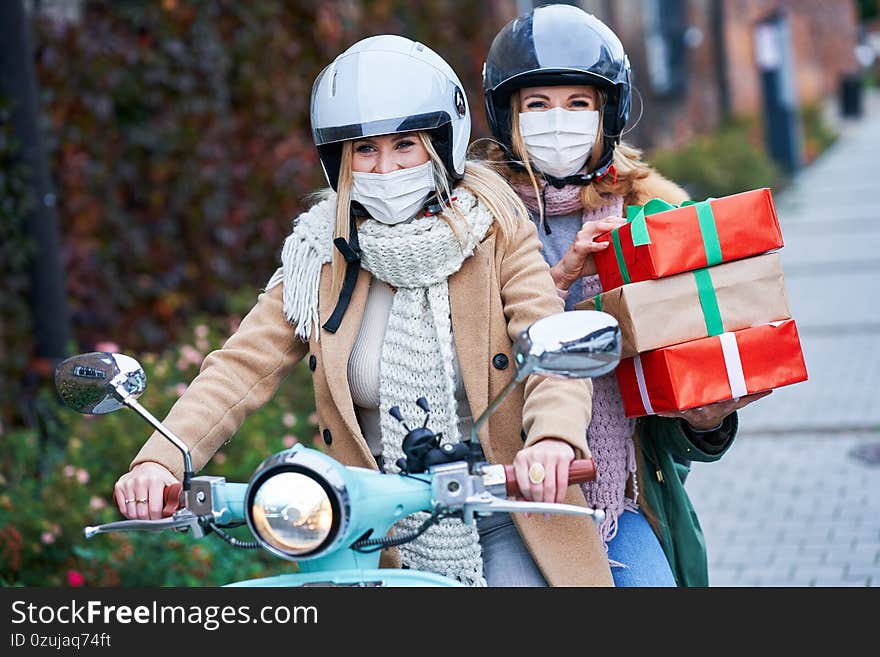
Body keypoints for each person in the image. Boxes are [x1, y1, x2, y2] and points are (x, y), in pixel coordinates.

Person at [112, 34, 617, 587]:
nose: (384, 168)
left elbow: (548, 338)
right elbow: (239, 367)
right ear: (339, 160)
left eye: (405, 144)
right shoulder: (318, 254)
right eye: (364, 149)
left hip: (502, 511)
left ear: (441, 142)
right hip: (366, 531)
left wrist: (551, 441)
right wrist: (161, 458)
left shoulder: (496, 230)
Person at [481, 4, 770, 586]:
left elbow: (681, 402)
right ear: (508, 117)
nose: (556, 121)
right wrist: (559, 280)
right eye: (537, 105)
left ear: (606, 114)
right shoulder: (477, 220)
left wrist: (706, 419)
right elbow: (465, 361)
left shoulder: (653, 217)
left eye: (577, 104)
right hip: (501, 500)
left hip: (622, 500)